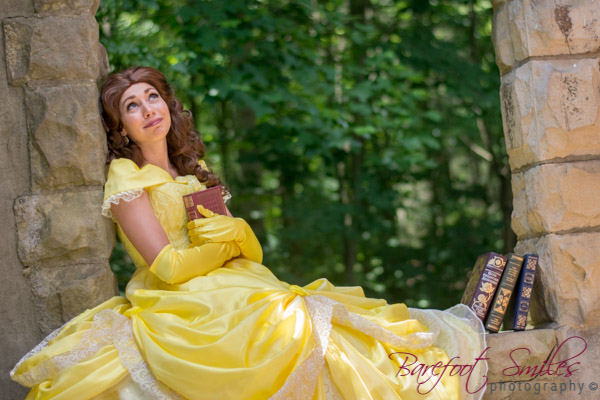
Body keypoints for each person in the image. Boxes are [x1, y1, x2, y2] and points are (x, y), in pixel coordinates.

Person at [11, 66, 487, 400]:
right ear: (121, 128)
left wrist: (239, 233)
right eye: (131, 106)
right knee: (290, 322)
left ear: (167, 104)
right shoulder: (127, 178)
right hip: (179, 298)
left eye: (152, 97)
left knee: (312, 311)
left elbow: (252, 255)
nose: (147, 109)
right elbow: (168, 267)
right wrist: (229, 242)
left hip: (237, 283)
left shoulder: (192, 171)